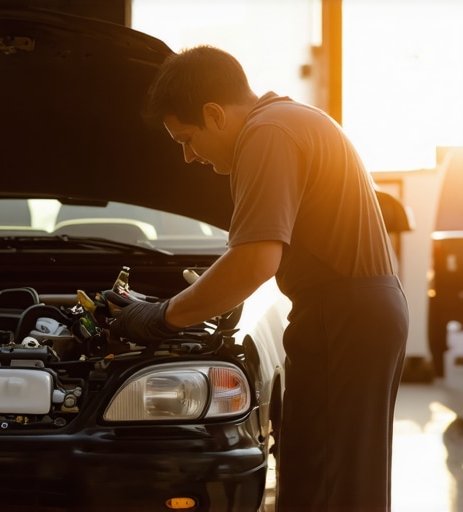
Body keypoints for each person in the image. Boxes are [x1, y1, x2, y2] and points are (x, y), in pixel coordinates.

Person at [109, 45, 409, 512]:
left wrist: (161, 317)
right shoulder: (292, 121)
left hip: (343, 316)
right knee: (345, 480)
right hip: (360, 310)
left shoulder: (266, 133)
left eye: (186, 138)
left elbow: (254, 261)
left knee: (324, 487)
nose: (188, 157)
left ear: (214, 114)